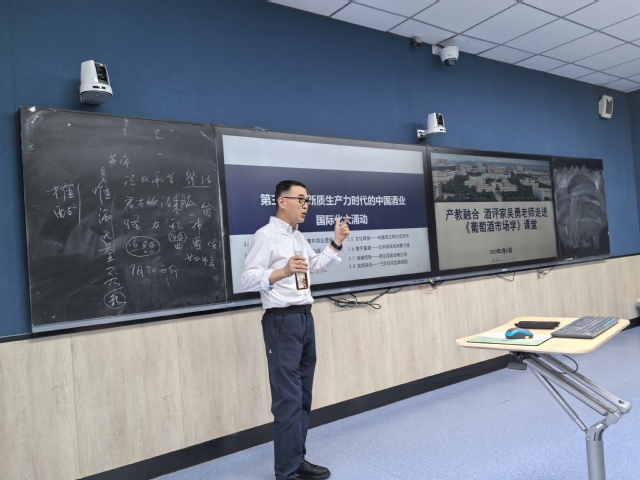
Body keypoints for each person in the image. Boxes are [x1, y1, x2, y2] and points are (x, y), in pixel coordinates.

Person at [241, 180, 350, 480]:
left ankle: (297, 459)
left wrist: (336, 242)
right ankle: (286, 473)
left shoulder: (297, 236)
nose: (306, 205)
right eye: (300, 199)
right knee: (287, 400)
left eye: (307, 200)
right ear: (282, 201)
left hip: (304, 319)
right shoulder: (265, 236)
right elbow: (248, 279)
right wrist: (283, 271)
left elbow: (315, 266)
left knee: (302, 397)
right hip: (281, 322)